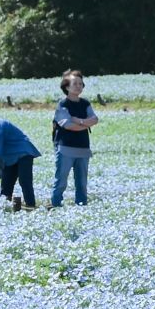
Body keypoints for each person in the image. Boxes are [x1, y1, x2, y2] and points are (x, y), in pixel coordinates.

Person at [50, 70, 98, 208]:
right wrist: (85, 123)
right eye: (75, 84)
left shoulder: (85, 103)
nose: (78, 86)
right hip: (65, 148)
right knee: (61, 182)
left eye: (80, 84)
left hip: (83, 148)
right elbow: (68, 125)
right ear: (66, 87)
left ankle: (81, 206)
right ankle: (56, 206)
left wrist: (80, 122)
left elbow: (94, 119)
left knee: (82, 183)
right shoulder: (62, 105)